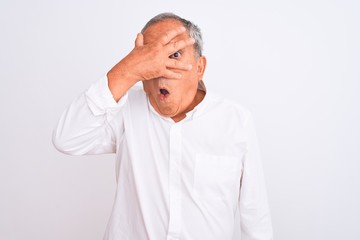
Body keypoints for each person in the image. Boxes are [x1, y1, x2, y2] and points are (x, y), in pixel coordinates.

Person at [53, 12, 273, 240]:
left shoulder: (236, 121)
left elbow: (256, 218)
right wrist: (128, 69)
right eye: (150, 58)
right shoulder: (125, 109)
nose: (160, 69)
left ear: (199, 68)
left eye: (174, 54)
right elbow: (66, 138)